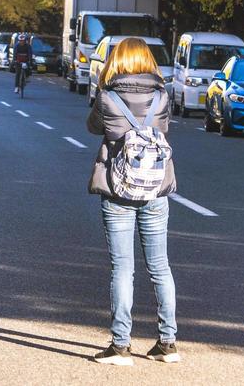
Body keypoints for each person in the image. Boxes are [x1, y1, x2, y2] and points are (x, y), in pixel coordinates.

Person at [86, 36, 179, 366]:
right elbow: (163, 128)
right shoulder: (162, 95)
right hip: (155, 188)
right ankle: (168, 343)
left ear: (117, 61)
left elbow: (94, 127)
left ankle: (121, 345)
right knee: (160, 266)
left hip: (118, 189)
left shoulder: (107, 97)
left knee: (122, 268)